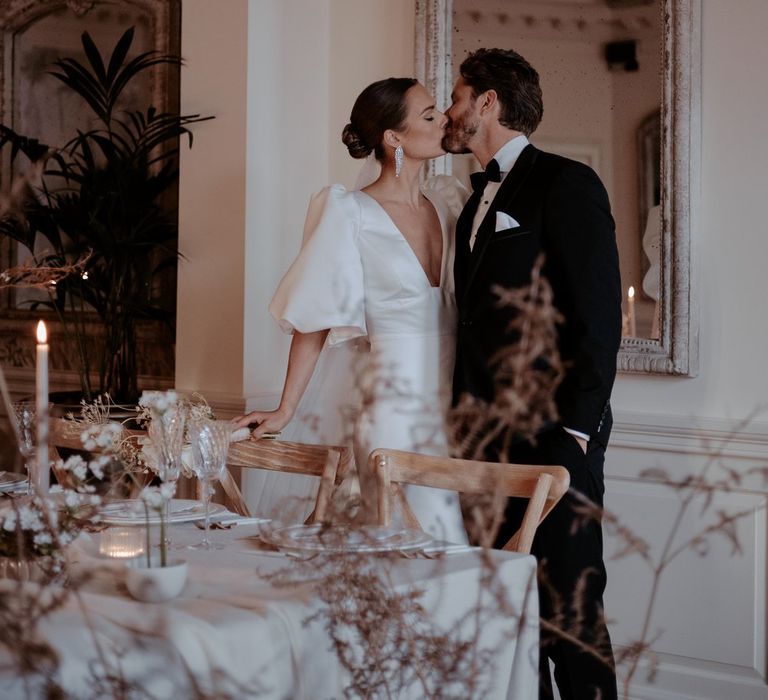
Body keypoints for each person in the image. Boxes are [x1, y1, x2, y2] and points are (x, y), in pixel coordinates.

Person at [443, 48, 622, 699]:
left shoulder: (565, 183)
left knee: (569, 622)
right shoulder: (470, 209)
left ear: (487, 102)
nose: (451, 110)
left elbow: (598, 318)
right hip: (481, 445)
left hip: (553, 438)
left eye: (458, 96)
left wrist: (575, 434)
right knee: (507, 620)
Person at [235, 78, 468, 544]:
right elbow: (315, 317)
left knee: (455, 551)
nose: (443, 118)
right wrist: (285, 409)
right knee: (413, 544)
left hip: (458, 411)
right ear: (393, 139)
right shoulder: (349, 213)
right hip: (393, 416)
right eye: (428, 115)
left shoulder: (450, 202)